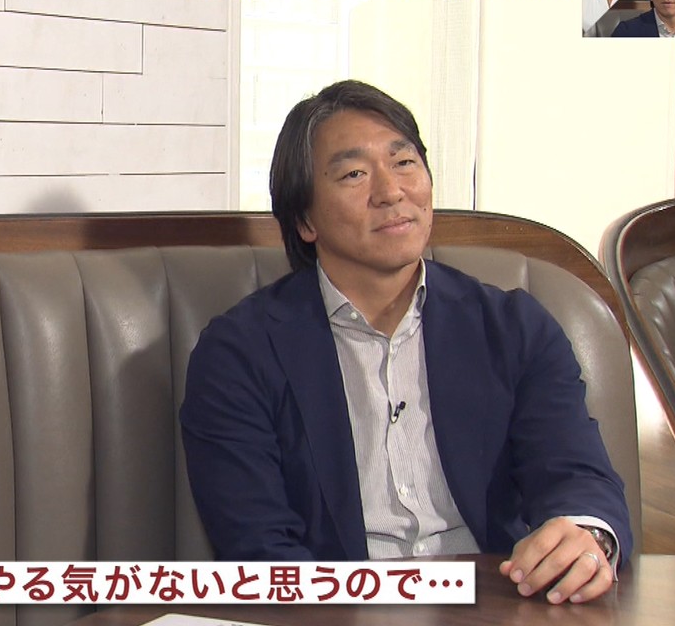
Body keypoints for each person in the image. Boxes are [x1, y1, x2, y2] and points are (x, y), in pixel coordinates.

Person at [180, 80, 632, 606]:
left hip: (500, 604)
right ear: (304, 220)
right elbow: (259, 549)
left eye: (404, 163)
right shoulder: (239, 355)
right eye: (354, 174)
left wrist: (586, 537)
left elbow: (575, 473)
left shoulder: (514, 327)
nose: (391, 192)